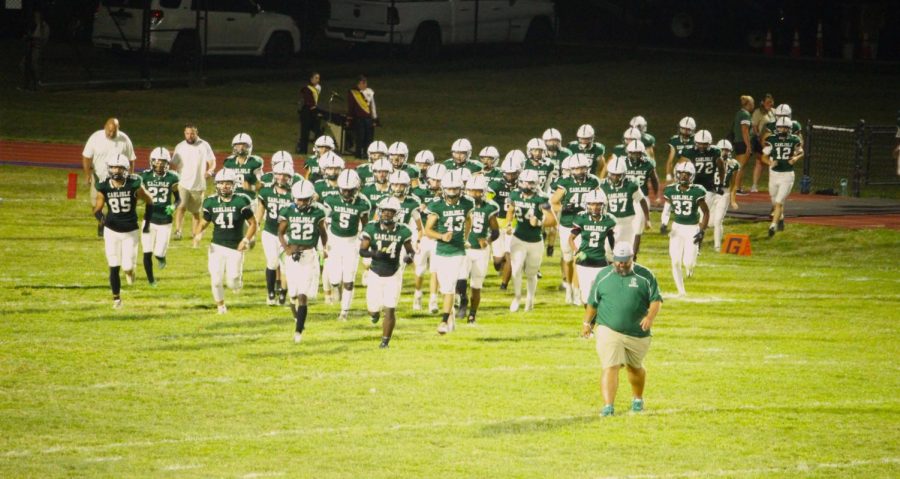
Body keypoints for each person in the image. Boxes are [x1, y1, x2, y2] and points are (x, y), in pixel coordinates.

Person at [582, 242, 662, 417]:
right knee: (611, 365)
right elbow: (593, 303)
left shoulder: (645, 276)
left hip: (637, 332)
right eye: (617, 261)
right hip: (608, 328)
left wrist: (650, 317)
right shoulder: (603, 276)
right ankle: (608, 406)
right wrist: (587, 323)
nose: (620, 264)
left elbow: (656, 300)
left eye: (624, 261)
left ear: (631, 258)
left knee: (634, 368)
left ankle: (638, 399)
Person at [93, 154, 154, 308]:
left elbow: (149, 200)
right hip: (111, 230)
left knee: (127, 267)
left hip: (130, 231)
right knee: (113, 264)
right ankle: (117, 300)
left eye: (119, 167)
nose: (116, 170)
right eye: (113, 167)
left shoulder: (133, 184)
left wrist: (147, 222)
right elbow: (97, 209)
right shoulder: (104, 185)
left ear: (126, 169)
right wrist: (101, 218)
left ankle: (131, 273)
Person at [194, 170, 257, 314]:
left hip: (236, 247)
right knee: (216, 280)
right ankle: (221, 307)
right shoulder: (210, 202)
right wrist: (198, 234)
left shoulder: (241, 201)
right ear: (217, 185)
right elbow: (205, 221)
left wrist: (246, 239)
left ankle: (237, 282)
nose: (224, 186)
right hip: (216, 246)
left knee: (232, 281)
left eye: (228, 183)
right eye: (221, 183)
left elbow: (253, 223)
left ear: (234, 185)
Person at [359, 197, 416, 348]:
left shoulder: (403, 231)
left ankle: (385, 341)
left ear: (396, 214)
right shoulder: (371, 228)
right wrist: (374, 254)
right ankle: (375, 314)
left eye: (390, 212)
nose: (386, 215)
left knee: (390, 309)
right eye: (384, 212)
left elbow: (411, 251)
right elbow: (362, 251)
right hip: (375, 273)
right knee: (373, 311)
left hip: (393, 273)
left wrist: (409, 257)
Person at [278, 180, 328, 343]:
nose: (301, 202)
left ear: (311, 198)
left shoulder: (318, 212)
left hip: (309, 255)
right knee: (292, 294)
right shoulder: (288, 211)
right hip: (292, 257)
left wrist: (324, 247)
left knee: (302, 295)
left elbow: (323, 232)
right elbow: (280, 232)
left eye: (305, 199)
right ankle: (297, 319)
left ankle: (298, 331)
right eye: (299, 199)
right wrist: (286, 248)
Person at [424, 170, 473, 334]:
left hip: (457, 251)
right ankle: (451, 317)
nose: (452, 192)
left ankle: (444, 321)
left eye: (455, 189)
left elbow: (468, 220)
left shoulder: (467, 203)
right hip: (441, 251)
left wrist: (465, 238)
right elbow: (427, 230)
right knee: (445, 289)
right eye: (449, 189)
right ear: (444, 189)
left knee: (450, 287)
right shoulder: (437, 205)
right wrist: (441, 236)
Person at [550, 153, 600, 305]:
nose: (579, 171)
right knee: (567, 259)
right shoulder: (565, 183)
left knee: (579, 258)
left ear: (587, 168)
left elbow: (599, 200)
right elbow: (553, 202)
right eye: (576, 168)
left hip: (584, 225)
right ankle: (569, 290)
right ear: (571, 170)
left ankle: (577, 292)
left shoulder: (593, 182)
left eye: (582, 168)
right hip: (567, 223)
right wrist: (565, 207)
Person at [506, 169, 556, 312]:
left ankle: (530, 298)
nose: (527, 186)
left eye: (530, 183)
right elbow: (510, 210)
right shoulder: (514, 194)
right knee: (515, 270)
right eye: (524, 182)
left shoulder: (542, 198)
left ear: (536, 184)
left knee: (531, 273)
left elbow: (553, 221)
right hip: (518, 238)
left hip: (535, 241)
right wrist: (509, 224)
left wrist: (539, 222)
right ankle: (517, 297)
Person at [324, 169, 370, 320]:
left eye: (350, 190)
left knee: (349, 280)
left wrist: (364, 242)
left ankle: (344, 312)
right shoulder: (331, 200)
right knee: (334, 279)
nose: (346, 193)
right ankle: (336, 288)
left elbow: (366, 226)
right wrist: (324, 241)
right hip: (334, 241)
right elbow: (322, 221)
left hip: (352, 243)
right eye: (344, 190)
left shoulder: (363, 203)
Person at [661, 162, 709, 296]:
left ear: (691, 176)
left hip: (692, 228)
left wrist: (701, 231)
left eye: (687, 174)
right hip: (677, 228)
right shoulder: (670, 190)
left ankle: (691, 266)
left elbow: (706, 212)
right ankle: (681, 292)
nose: (683, 177)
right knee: (675, 261)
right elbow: (666, 210)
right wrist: (664, 223)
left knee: (688, 263)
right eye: (681, 174)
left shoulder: (697, 191)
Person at [457, 175, 500, 323]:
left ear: (484, 192)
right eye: (471, 191)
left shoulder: (490, 207)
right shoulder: (460, 204)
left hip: (481, 252)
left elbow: (495, 232)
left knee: (476, 285)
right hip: (464, 249)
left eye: (477, 191)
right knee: (460, 279)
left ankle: (472, 315)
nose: (474, 194)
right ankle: (462, 300)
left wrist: (487, 241)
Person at [257, 161, 298, 305]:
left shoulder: (294, 194)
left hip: (287, 234)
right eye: (279, 174)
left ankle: (283, 292)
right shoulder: (266, 191)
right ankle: (270, 292)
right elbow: (261, 209)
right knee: (272, 263)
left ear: (290, 177)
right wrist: (256, 224)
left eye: (285, 175)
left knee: (287, 265)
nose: (281, 178)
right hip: (270, 232)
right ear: (274, 175)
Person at [82, 118, 137, 222]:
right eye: (109, 131)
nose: (111, 134)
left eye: (114, 131)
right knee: (96, 204)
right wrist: (87, 174)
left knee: (115, 204)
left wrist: (131, 174)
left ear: (118, 128)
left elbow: (131, 159)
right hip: (99, 176)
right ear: (105, 127)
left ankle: (108, 225)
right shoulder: (95, 138)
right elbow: (86, 156)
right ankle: (102, 223)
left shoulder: (124, 139)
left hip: (118, 179)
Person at [139, 147, 180, 286]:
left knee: (158, 253)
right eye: (157, 161)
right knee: (147, 252)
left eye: (163, 161)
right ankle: (151, 280)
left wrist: (174, 206)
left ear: (167, 163)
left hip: (165, 221)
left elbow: (179, 198)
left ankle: (161, 258)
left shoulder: (172, 177)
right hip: (149, 219)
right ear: (152, 161)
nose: (159, 164)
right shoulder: (145, 176)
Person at [569, 190, 616, 306]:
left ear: (603, 205)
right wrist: (576, 251)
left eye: (598, 204)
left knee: (602, 294)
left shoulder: (608, 220)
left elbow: (612, 241)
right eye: (591, 204)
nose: (594, 207)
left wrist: (615, 256)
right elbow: (570, 239)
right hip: (584, 262)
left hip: (600, 261)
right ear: (587, 204)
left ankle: (598, 319)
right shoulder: (581, 219)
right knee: (586, 297)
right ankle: (589, 321)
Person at [171, 124, 216, 242]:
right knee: (181, 207)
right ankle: (178, 231)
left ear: (196, 133)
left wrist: (210, 171)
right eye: (187, 133)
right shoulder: (180, 146)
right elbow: (173, 163)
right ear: (184, 133)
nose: (189, 136)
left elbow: (212, 161)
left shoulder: (204, 145)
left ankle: (195, 232)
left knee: (196, 212)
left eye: (192, 133)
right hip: (183, 182)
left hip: (198, 184)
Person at [761, 117, 804, 237]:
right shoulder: (772, 140)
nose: (783, 129)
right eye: (780, 127)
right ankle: (781, 217)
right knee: (774, 201)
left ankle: (773, 226)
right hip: (774, 174)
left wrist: (795, 158)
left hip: (787, 175)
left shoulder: (794, 140)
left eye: (785, 127)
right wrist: (770, 163)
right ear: (777, 128)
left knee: (779, 202)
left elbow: (801, 151)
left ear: (790, 129)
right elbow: (764, 156)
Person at [412, 163, 446, 312]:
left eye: (439, 180)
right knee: (419, 270)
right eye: (434, 180)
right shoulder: (419, 193)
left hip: (438, 237)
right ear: (428, 179)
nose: (436, 183)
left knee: (436, 270)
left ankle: (433, 300)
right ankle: (417, 294)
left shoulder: (449, 195)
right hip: (424, 236)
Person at [488, 150, 525, 291]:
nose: (510, 176)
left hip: (514, 225)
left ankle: (504, 285)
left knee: (510, 256)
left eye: (513, 173)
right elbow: (487, 202)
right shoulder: (496, 185)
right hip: (497, 224)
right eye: (508, 173)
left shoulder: (523, 186)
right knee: (497, 261)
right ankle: (504, 269)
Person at [601, 157, 650, 257]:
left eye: (618, 175)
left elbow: (642, 200)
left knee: (626, 252)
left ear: (623, 174)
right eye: (613, 174)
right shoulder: (602, 186)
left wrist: (647, 218)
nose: (615, 177)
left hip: (627, 223)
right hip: (609, 223)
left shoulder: (631, 185)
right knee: (608, 252)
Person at [622, 141, 659, 259]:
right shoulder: (622, 163)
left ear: (642, 153)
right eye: (632, 153)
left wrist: (657, 194)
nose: (635, 156)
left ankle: (633, 255)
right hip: (625, 197)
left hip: (641, 198)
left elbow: (654, 180)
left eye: (638, 153)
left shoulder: (648, 164)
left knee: (637, 228)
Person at [710, 140, 741, 251]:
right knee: (709, 223)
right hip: (711, 191)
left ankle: (717, 247)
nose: (724, 152)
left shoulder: (733, 164)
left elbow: (733, 184)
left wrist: (733, 200)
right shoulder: (711, 161)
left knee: (718, 221)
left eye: (726, 150)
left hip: (724, 193)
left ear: (730, 151)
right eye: (722, 150)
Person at [659, 116, 696, 206]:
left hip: (694, 168)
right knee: (677, 189)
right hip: (679, 167)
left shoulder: (696, 139)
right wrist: (668, 174)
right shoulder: (674, 140)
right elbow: (671, 158)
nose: (684, 132)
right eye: (683, 129)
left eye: (687, 130)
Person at [223, 133, 264, 205]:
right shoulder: (229, 162)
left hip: (249, 200)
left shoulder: (254, 162)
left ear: (249, 146)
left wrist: (251, 188)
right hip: (231, 199)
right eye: (238, 145)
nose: (240, 148)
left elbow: (262, 184)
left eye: (243, 145)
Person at [347, 75, 377, 159]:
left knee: (369, 137)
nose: (364, 85)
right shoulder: (353, 92)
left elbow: (373, 106)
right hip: (358, 119)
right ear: (358, 84)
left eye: (365, 83)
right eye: (362, 83)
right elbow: (351, 107)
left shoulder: (370, 92)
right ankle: (358, 154)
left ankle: (367, 154)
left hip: (368, 118)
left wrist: (374, 119)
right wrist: (349, 118)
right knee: (360, 137)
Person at [750, 94, 775, 193]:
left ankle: (772, 186)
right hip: (762, 141)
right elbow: (755, 126)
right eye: (768, 102)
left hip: (773, 141)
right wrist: (759, 137)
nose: (770, 104)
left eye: (771, 101)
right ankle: (754, 186)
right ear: (763, 102)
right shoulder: (758, 112)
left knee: (772, 162)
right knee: (760, 162)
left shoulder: (774, 112)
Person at [731, 95, 755, 195]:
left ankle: (736, 186)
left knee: (739, 166)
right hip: (742, 142)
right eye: (753, 103)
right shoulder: (745, 115)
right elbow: (744, 131)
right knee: (740, 166)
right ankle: (736, 188)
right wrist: (748, 146)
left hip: (738, 142)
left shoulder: (739, 113)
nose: (753, 105)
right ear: (749, 104)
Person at [21, 8, 49, 91]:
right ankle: (27, 83)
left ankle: (36, 83)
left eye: (38, 15)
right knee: (23, 65)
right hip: (30, 48)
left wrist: (33, 38)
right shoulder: (33, 25)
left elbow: (43, 39)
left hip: (37, 49)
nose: (36, 17)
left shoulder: (44, 26)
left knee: (34, 65)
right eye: (35, 15)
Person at [297, 71, 323, 154]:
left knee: (318, 131)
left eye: (318, 78)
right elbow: (308, 101)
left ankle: (318, 151)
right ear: (311, 79)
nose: (318, 80)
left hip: (313, 112)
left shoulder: (318, 87)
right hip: (306, 112)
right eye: (316, 78)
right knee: (305, 133)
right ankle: (302, 151)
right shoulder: (306, 88)